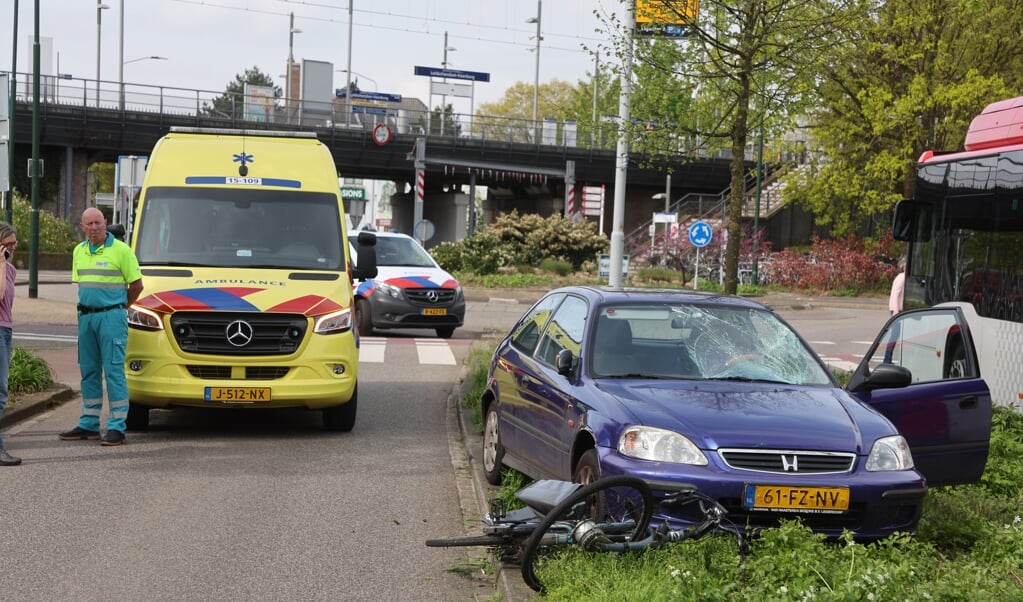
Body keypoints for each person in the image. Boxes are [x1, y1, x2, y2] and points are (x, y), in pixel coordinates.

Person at [59, 208, 143, 446]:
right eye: (89, 224)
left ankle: (117, 427)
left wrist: (122, 306)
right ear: (82, 226)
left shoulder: (121, 250)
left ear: (105, 223)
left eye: (98, 223)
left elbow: (137, 285)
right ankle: (89, 423)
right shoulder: (79, 251)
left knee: (114, 372)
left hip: (111, 317)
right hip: (86, 317)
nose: (94, 228)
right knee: (89, 372)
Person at [0, 223, 22, 466]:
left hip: (6, 329)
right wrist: (1, 264)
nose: (14, 247)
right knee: (0, 391)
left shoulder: (12, 270)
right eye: (9, 244)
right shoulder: (3, 267)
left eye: (14, 243)